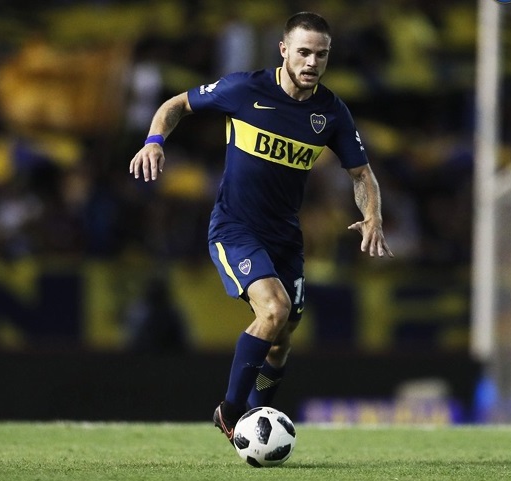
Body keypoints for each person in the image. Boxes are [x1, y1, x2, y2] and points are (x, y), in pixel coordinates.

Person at [129, 11, 394, 445]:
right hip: (235, 227)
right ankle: (232, 412)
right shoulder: (245, 89)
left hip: (285, 237)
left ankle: (256, 409)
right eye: (304, 52)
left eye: (321, 55)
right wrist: (154, 141)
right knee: (273, 310)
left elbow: (362, 175)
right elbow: (175, 105)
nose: (312, 63)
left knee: (281, 341)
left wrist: (372, 215)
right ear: (284, 50)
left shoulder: (331, 113)